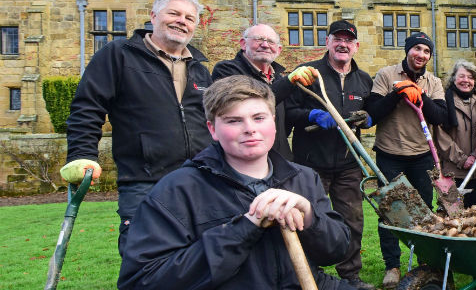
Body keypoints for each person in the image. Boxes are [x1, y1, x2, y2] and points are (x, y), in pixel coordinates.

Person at [117, 75, 355, 290]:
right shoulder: (178, 190)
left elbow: (335, 252)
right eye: (233, 121)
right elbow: (142, 280)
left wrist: (311, 216)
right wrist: (246, 227)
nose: (250, 129)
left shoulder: (303, 177)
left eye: (259, 118)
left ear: (273, 122)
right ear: (212, 129)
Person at [61, 0, 212, 256]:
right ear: (153, 16)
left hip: (199, 180)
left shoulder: (200, 69)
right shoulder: (119, 55)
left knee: (201, 260)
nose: (182, 21)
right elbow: (87, 108)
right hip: (144, 181)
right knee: (144, 263)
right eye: (174, 13)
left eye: (190, 18)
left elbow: (213, 123)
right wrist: (81, 155)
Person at [284, 20, 375, 289]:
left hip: (349, 164)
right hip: (311, 165)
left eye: (349, 40)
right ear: (327, 42)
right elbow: (288, 112)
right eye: (338, 39)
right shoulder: (308, 74)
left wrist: (367, 117)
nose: (343, 44)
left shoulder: (363, 79)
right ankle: (308, 274)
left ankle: (350, 275)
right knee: (309, 220)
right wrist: (311, 115)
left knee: (352, 220)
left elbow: (370, 111)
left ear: (356, 46)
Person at [363, 31, 448, 288]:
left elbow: (439, 117)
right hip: (390, 153)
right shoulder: (386, 75)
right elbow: (373, 113)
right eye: (417, 49)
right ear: (407, 50)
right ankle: (392, 265)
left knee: (424, 211)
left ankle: (425, 261)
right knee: (389, 211)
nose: (421, 54)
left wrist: (420, 94)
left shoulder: (433, 81)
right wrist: (398, 93)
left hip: (422, 156)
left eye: (426, 51)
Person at [212, 23, 313, 160]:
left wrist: (311, 115)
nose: (265, 45)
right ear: (243, 44)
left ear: (278, 50)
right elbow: (250, 105)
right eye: (258, 39)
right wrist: (288, 82)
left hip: (280, 158)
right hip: (245, 160)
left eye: (271, 41)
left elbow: (287, 118)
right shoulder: (227, 70)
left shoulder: (278, 78)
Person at [432, 59, 476, 208]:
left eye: (470, 77)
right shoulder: (443, 101)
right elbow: (440, 136)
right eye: (462, 76)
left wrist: (475, 156)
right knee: (452, 215)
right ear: (453, 78)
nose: (466, 80)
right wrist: (462, 159)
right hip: (452, 172)